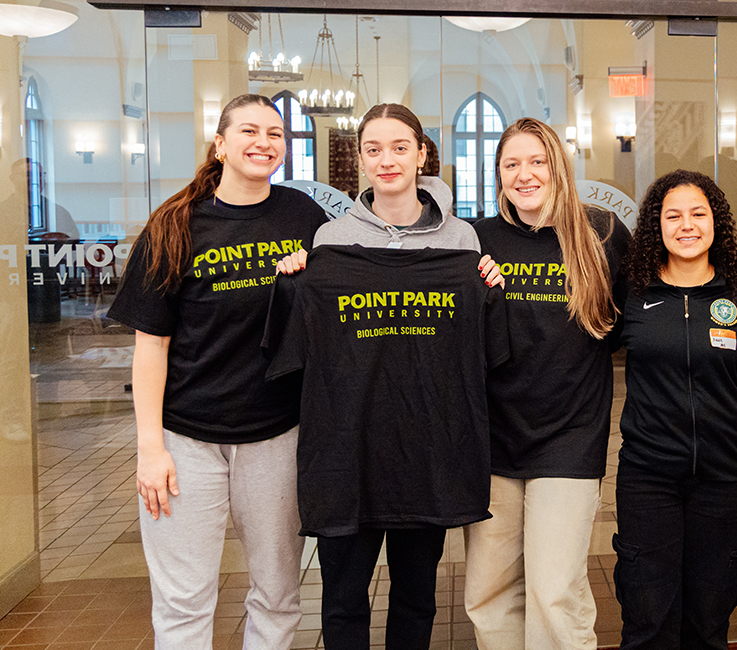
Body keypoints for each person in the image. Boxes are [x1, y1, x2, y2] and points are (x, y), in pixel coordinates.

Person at [276, 102, 502, 650]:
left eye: (400, 147)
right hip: (345, 459)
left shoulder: (462, 243)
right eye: (373, 149)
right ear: (359, 158)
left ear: (422, 153)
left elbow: (487, 350)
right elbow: (294, 355)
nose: (387, 159)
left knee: (416, 602)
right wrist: (296, 283)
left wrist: (488, 288)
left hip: (427, 455)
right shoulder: (328, 243)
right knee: (343, 604)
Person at [106, 93, 329, 649]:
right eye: (250, 131)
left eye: (275, 134)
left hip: (277, 436)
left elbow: (352, 287)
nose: (264, 143)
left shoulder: (304, 217)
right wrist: (149, 448)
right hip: (187, 440)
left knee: (278, 594)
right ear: (221, 144)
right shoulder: (175, 225)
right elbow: (151, 346)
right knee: (183, 599)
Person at [463, 117, 629, 650]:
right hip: (493, 441)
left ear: (557, 165)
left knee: (555, 592)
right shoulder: (476, 240)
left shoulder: (602, 233)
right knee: (489, 594)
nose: (524, 174)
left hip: (569, 438)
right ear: (498, 175)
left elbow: (646, 322)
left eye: (537, 161)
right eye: (511, 164)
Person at [611, 169, 737, 650]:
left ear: (717, 222)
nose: (686, 225)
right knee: (648, 615)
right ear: (657, 225)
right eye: (673, 215)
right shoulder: (633, 291)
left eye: (698, 213)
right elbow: (576, 346)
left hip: (726, 474)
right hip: (649, 474)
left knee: (710, 618)